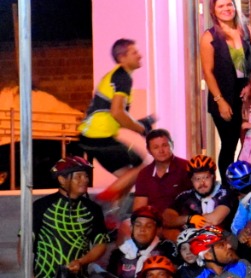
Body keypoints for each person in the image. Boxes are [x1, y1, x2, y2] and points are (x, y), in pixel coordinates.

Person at [32, 157, 110, 278]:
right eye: (79, 176)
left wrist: (82, 261)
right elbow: (25, 246)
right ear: (62, 179)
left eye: (86, 176)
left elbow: (100, 244)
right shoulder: (41, 206)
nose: (85, 180)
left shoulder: (93, 209)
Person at [200, 0, 251, 178]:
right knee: (229, 144)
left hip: (247, 95)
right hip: (224, 97)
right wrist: (220, 101)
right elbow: (208, 72)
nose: (226, 9)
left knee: (250, 144)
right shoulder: (209, 37)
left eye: (229, 4)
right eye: (221, 6)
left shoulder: (246, 30)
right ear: (214, 11)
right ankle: (228, 188)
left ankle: (247, 184)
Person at [78, 38, 151, 188]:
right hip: (100, 137)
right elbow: (117, 113)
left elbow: (114, 115)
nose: (140, 55)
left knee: (128, 178)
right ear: (122, 58)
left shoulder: (117, 76)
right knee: (142, 169)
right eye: (134, 52)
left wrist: (138, 124)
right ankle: (105, 201)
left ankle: (114, 209)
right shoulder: (122, 77)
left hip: (92, 137)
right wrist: (140, 129)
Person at [132, 129, 191, 225]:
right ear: (149, 150)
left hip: (179, 221)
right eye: (155, 147)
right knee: (126, 227)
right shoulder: (144, 174)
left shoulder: (187, 167)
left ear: (172, 144)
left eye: (165, 145)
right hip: (153, 222)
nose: (161, 151)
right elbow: (139, 210)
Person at [166, 154, 235, 228]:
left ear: (213, 177)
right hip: (193, 237)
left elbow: (215, 219)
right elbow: (167, 220)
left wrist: (190, 222)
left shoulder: (225, 193)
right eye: (197, 179)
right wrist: (188, 219)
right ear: (191, 180)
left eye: (206, 177)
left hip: (224, 237)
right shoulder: (185, 196)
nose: (202, 183)